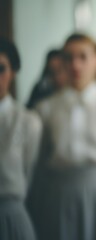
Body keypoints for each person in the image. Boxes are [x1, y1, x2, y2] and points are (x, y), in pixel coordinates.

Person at [27, 33, 96, 240]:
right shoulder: (46, 109)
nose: (75, 65)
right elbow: (41, 159)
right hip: (60, 194)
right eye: (68, 58)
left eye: (83, 57)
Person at [0, 37, 42, 240]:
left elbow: (29, 171)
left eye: (1, 68)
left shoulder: (27, 121)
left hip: (11, 214)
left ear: (13, 72)